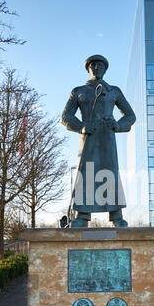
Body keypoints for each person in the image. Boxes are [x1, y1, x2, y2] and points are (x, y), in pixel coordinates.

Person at [61, 55, 136, 227]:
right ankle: (82, 215)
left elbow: (131, 115)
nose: (97, 68)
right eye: (93, 65)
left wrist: (118, 125)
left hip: (107, 138)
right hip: (89, 137)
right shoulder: (78, 91)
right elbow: (65, 116)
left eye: (100, 65)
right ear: (88, 69)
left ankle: (116, 215)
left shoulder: (113, 91)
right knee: (86, 173)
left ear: (105, 69)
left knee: (111, 172)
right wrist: (81, 126)